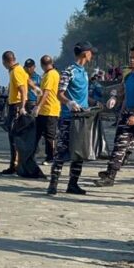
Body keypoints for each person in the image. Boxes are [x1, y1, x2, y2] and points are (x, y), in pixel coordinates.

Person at [47, 42, 96, 196]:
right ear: (85, 53)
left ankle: (73, 184)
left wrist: (95, 103)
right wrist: (69, 102)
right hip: (69, 118)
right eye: (90, 52)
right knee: (61, 151)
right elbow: (59, 93)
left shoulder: (85, 73)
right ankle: (53, 184)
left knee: (79, 152)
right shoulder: (69, 71)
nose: (92, 55)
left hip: (83, 117)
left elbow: (83, 95)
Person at [95, 45, 134, 187]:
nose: (132, 60)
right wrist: (115, 99)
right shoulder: (128, 77)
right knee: (120, 144)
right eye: (131, 57)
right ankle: (110, 175)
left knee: (130, 146)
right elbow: (122, 93)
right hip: (127, 113)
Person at [0, 51, 29, 174]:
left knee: (13, 137)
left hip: (16, 106)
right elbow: (28, 83)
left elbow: (22, 89)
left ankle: (15, 165)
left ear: (5, 61)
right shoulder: (19, 69)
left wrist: (22, 107)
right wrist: (37, 90)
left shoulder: (16, 71)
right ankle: (15, 163)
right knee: (14, 136)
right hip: (14, 104)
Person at [32, 55, 61, 164]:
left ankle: (50, 157)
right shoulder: (48, 74)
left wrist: (38, 106)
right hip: (44, 109)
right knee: (37, 133)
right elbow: (42, 92)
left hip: (50, 109)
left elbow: (46, 92)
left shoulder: (51, 75)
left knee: (49, 135)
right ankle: (32, 154)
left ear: (42, 65)